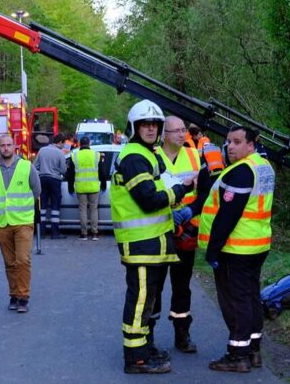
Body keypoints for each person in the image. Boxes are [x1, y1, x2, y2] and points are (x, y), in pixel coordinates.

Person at [111, 100, 195, 374]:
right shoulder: (135, 157)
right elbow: (149, 200)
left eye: (154, 124)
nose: (150, 129)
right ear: (135, 127)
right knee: (140, 301)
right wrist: (180, 191)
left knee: (146, 301)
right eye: (145, 124)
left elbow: (158, 186)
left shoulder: (147, 154)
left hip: (151, 243)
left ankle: (144, 348)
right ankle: (135, 358)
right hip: (141, 244)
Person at [197, 125, 275, 373]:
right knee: (251, 297)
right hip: (257, 244)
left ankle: (237, 355)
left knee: (235, 300)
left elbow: (227, 215)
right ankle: (253, 351)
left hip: (236, 248)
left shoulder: (241, 172)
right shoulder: (263, 167)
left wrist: (213, 249)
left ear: (251, 145)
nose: (230, 146)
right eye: (229, 141)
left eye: (238, 142)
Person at [155, 116, 201, 354]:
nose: (183, 134)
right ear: (165, 134)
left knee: (182, 286)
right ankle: (148, 334)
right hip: (160, 230)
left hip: (187, 231)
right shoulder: (152, 157)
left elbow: (205, 192)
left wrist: (190, 211)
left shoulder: (194, 155)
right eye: (176, 131)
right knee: (154, 285)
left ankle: (182, 333)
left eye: (184, 130)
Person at [0, 133, 41, 313]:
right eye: (2, 145)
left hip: (23, 222)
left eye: (9, 145)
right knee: (10, 263)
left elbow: (36, 190)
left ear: (14, 146)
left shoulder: (26, 166)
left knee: (22, 260)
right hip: (3, 223)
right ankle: (14, 295)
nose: (6, 148)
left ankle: (23, 297)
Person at [34, 133, 68, 239]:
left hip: (42, 180)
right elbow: (63, 170)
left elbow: (35, 166)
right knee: (55, 206)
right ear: (60, 142)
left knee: (42, 206)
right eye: (64, 143)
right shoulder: (60, 153)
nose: (64, 146)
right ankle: (55, 233)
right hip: (54, 181)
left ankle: (41, 232)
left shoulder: (42, 150)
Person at [67, 136, 102, 240]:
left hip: (80, 187)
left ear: (80, 144)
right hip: (94, 187)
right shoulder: (96, 155)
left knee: (83, 210)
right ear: (89, 144)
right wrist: (103, 184)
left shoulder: (75, 155)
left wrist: (70, 187)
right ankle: (95, 233)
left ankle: (84, 234)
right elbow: (102, 172)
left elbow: (70, 174)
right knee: (93, 210)